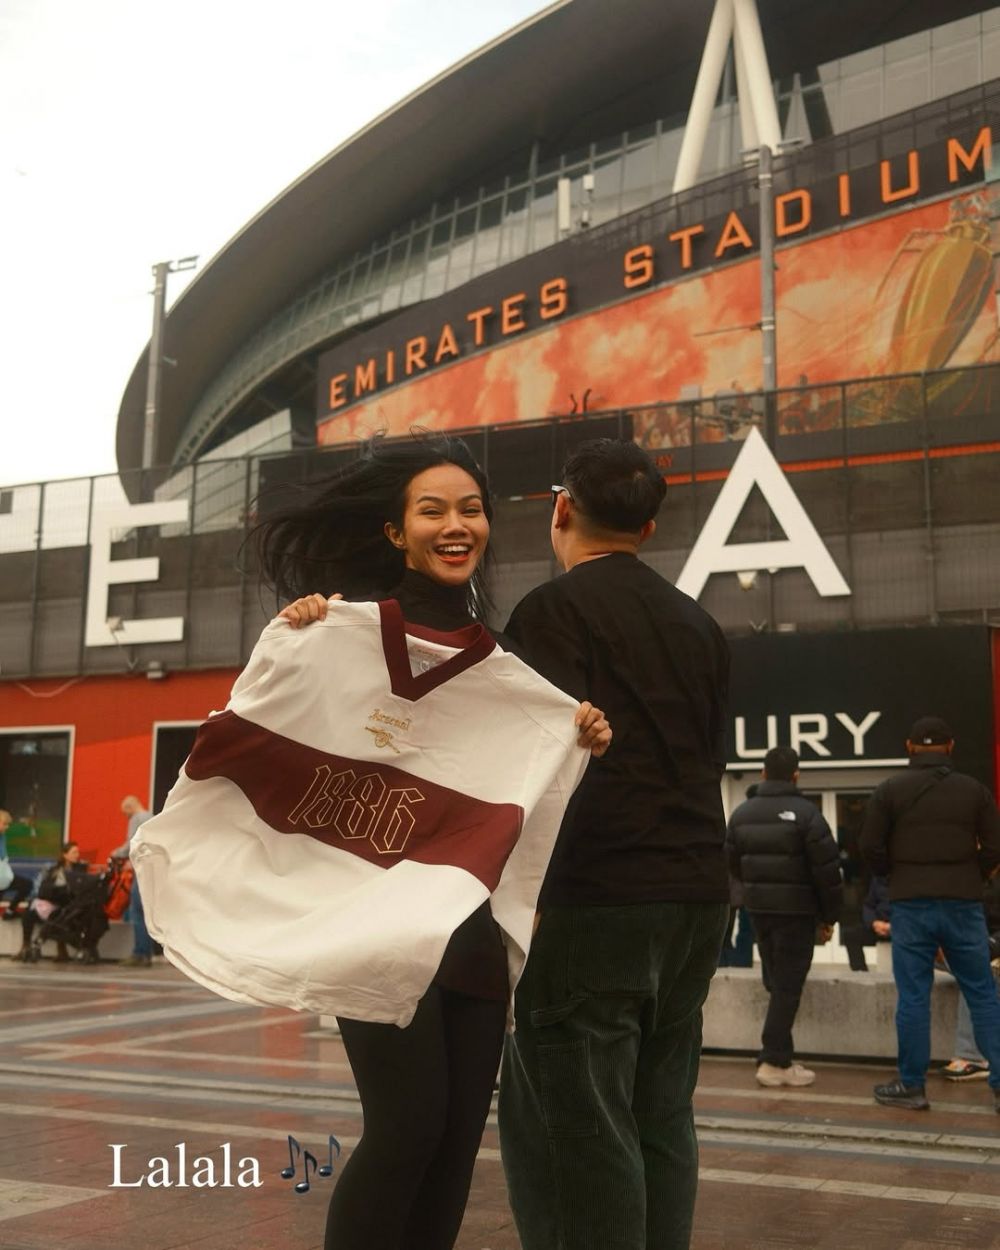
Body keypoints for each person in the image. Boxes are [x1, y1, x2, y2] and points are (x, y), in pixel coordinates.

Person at [190, 433, 611, 1250]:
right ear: (395, 532)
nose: (457, 525)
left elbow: (523, 765)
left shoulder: (504, 667)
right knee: (408, 1127)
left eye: (471, 510)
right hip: (377, 927)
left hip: (469, 931)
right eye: (433, 510)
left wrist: (580, 730)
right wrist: (299, 632)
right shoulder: (338, 631)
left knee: (455, 1145)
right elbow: (266, 723)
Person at [494, 438, 730, 1250]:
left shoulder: (551, 613)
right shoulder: (699, 623)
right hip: (698, 894)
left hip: (590, 897)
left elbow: (522, 762)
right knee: (661, 1114)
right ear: (651, 526)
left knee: (576, 1127)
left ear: (561, 509)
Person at [860, 715, 1000, 1112]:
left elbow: (868, 845)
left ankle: (911, 1086)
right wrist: (975, 876)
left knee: (913, 996)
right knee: (982, 992)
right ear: (951, 747)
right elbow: (994, 845)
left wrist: (895, 873)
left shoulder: (890, 790)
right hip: (963, 904)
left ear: (909, 747)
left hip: (911, 904)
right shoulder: (974, 790)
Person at [726, 746, 843, 1087]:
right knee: (787, 987)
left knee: (777, 984)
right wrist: (829, 917)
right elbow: (828, 871)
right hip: (797, 913)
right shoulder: (807, 814)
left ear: (762, 773)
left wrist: (752, 892)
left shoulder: (742, 813)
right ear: (796, 775)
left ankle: (781, 1057)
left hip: (759, 911)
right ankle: (772, 1061)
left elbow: (731, 863)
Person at [16, 842, 83, 962]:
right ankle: (25, 946)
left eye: (78, 852)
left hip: (65, 905)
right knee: (28, 913)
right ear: (65, 855)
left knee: (60, 915)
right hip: (49, 902)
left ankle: (61, 949)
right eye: (74, 852)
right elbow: (44, 888)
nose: (77, 855)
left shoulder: (80, 871)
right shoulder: (53, 869)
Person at [111, 795, 154, 967]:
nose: (126, 817)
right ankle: (146, 952)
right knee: (145, 911)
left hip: (140, 868)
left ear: (129, 808)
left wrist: (117, 853)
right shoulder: (150, 816)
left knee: (136, 910)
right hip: (150, 869)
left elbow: (132, 843)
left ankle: (140, 953)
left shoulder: (137, 818)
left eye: (125, 814)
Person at [0, 808, 33, 921]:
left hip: (4, 876)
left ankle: (9, 911)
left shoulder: (3, 836)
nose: (7, 827)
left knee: (27, 884)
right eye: (4, 824)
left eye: (8, 825)